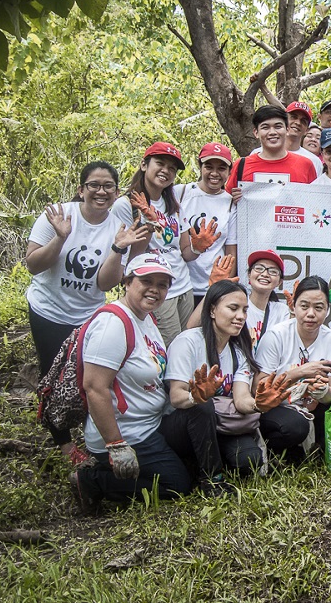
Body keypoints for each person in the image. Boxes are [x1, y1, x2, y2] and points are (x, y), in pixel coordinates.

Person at [26, 161, 149, 464]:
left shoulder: (116, 229)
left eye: (108, 186)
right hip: (48, 309)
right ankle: (64, 444)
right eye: (94, 185)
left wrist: (120, 249)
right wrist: (60, 238)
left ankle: (91, 431)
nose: (101, 191)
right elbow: (33, 264)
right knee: (52, 374)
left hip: (88, 314)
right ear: (81, 189)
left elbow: (104, 283)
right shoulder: (57, 216)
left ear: (116, 192)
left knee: (85, 375)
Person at [71, 255, 201, 512]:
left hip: (150, 423)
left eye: (162, 284)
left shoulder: (144, 317)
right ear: (128, 282)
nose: (155, 289)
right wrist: (116, 445)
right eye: (146, 281)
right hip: (129, 433)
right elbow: (95, 387)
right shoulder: (113, 325)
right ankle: (90, 480)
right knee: (178, 485)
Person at [113, 142, 221, 346]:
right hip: (158, 288)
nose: (166, 171)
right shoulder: (127, 205)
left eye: (172, 168)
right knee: (169, 348)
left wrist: (198, 248)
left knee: (188, 343)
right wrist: (149, 226)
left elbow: (183, 253)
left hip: (183, 285)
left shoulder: (172, 204)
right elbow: (128, 261)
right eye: (160, 164)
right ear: (144, 165)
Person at [165, 279, 260, 480]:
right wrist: (195, 397)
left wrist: (260, 404)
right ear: (212, 310)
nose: (240, 316)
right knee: (202, 406)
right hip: (179, 426)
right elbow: (176, 397)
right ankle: (212, 478)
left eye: (244, 310)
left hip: (219, 426)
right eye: (233, 308)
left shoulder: (238, 352)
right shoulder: (187, 342)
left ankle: (200, 461)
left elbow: (241, 399)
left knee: (250, 460)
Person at [255, 276, 331, 458]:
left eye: (318, 307)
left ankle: (322, 449)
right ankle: (276, 452)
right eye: (304, 306)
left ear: (327, 310)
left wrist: (321, 391)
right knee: (296, 426)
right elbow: (258, 387)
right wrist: (301, 372)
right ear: (293, 307)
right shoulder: (276, 336)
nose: (310, 314)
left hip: (312, 406)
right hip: (276, 406)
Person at [178, 143, 238, 307]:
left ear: (229, 171)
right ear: (200, 167)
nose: (214, 173)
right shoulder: (182, 193)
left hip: (211, 285)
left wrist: (225, 288)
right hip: (182, 284)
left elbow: (230, 250)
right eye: (209, 167)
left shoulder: (230, 203)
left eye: (221, 168)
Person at [225, 105, 317, 194]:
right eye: (265, 127)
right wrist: (234, 200)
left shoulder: (306, 165)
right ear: (256, 133)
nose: (272, 132)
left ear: (287, 130)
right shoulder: (241, 165)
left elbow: (314, 204)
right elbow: (226, 202)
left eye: (278, 127)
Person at [284, 101, 322, 174]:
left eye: (303, 121)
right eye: (293, 117)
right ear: (284, 120)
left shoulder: (314, 161)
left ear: (306, 130)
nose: (298, 123)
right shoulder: (262, 153)